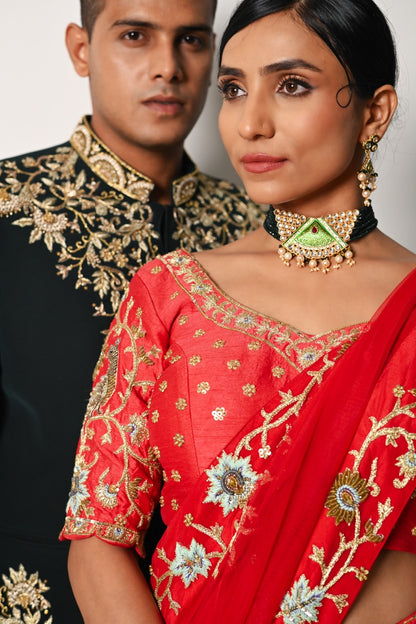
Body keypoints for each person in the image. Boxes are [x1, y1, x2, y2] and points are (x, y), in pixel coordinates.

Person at [61, 0, 416, 622]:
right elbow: (98, 536)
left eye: (292, 86)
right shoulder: (170, 293)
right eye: (232, 89)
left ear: (374, 112)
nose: (250, 124)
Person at [0, 0, 262, 622]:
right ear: (81, 49)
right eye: (136, 36)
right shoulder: (8, 207)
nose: (167, 67)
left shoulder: (255, 229)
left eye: (192, 40)